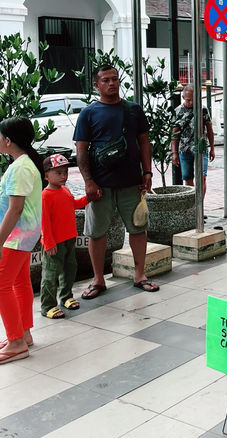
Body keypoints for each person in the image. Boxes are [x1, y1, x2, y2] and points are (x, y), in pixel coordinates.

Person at [74, 64, 159, 298]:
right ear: (96, 85)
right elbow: (81, 150)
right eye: (105, 80)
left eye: (114, 79)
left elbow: (144, 142)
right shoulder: (88, 113)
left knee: (138, 228)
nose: (111, 83)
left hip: (132, 182)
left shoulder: (133, 110)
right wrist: (88, 181)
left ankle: (140, 274)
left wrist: (148, 172)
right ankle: (98, 280)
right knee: (96, 232)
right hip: (100, 185)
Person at [0, 117, 44, 363]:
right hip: (24, 235)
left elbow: (15, 209)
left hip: (15, 237)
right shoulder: (24, 163)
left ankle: (16, 342)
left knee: (2, 285)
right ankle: (23, 334)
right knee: (19, 282)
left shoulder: (20, 167)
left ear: (8, 140)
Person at [40, 154, 87, 319]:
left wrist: (88, 198)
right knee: (50, 274)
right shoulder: (45, 196)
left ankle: (66, 296)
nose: (63, 176)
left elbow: (73, 204)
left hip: (69, 238)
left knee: (69, 269)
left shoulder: (65, 190)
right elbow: (44, 222)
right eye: (58, 173)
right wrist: (48, 242)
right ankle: (47, 305)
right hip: (54, 243)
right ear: (46, 175)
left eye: (65, 172)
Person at [171, 84, 215, 197]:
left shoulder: (203, 110)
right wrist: (174, 153)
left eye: (193, 100)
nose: (190, 102)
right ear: (183, 97)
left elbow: (210, 130)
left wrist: (212, 148)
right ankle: (193, 208)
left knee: (202, 177)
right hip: (184, 150)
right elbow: (174, 134)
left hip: (201, 149)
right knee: (188, 179)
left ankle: (200, 207)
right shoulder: (178, 111)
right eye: (188, 100)